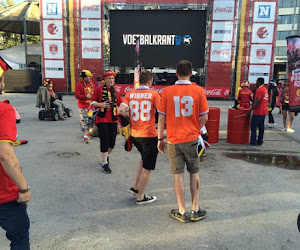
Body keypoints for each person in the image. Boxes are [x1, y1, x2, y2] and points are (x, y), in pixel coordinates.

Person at [157, 60, 209, 223]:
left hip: (173, 139)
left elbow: (161, 118)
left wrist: (160, 138)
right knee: (194, 173)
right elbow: (205, 117)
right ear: (191, 73)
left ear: (177, 73)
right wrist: (196, 128)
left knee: (178, 175)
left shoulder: (167, 92)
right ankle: (195, 209)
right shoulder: (198, 90)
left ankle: (181, 211)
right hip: (192, 139)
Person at [119, 70, 160, 204]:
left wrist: (129, 119)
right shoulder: (153, 94)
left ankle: (135, 186)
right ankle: (141, 197)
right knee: (148, 167)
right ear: (149, 81)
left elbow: (120, 111)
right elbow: (161, 112)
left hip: (135, 134)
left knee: (143, 159)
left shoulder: (130, 94)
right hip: (149, 134)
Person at [0, 101, 31, 249]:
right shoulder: (4, 109)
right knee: (19, 239)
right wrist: (23, 188)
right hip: (4, 193)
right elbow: (5, 154)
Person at [91, 71, 123, 174]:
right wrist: (101, 105)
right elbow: (92, 102)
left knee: (112, 142)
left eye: (112, 79)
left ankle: (106, 156)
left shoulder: (115, 92)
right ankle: (104, 163)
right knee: (104, 140)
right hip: (101, 119)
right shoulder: (98, 90)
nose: (111, 80)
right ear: (105, 80)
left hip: (113, 119)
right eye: (109, 78)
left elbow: (121, 103)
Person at [75, 70, 95, 143]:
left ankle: (88, 133)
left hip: (90, 106)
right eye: (87, 76)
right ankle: (85, 135)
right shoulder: (79, 85)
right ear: (83, 78)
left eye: (89, 76)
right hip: (83, 105)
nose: (89, 78)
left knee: (91, 120)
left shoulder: (91, 83)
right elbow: (77, 96)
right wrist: (86, 96)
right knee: (84, 120)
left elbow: (94, 91)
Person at [247, 77, 269, 146]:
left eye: (256, 82)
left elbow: (257, 101)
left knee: (253, 126)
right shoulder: (265, 89)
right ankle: (260, 141)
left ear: (258, 82)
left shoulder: (259, 90)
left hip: (258, 111)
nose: (255, 83)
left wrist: (250, 110)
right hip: (264, 111)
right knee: (261, 127)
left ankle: (253, 142)